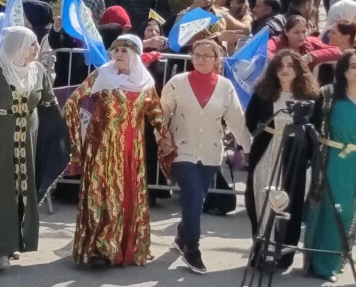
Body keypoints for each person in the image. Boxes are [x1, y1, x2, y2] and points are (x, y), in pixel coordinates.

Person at [65, 35, 170, 269]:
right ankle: (98, 249)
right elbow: (72, 103)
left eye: (125, 50)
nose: (119, 54)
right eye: (116, 50)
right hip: (102, 148)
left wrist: (165, 136)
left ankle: (125, 247)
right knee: (103, 195)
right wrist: (78, 141)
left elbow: (155, 112)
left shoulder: (145, 81)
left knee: (128, 195)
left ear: (135, 55)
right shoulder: (102, 75)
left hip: (132, 149)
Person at [158, 37, 247, 274]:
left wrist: (249, 147)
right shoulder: (177, 83)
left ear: (217, 59)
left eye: (207, 56)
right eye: (197, 55)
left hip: (210, 152)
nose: (201, 60)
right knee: (194, 197)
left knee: (196, 201)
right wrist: (162, 138)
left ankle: (180, 235)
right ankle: (192, 248)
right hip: (181, 150)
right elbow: (161, 114)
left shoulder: (225, 86)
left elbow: (237, 120)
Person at [0, 25, 55, 270]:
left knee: (21, 187)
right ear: (16, 45)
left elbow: (49, 101)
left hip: (28, 137)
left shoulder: (38, 70)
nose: (37, 49)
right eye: (32, 44)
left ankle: (15, 241)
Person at [299, 49, 356, 282]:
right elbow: (313, 126)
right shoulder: (328, 96)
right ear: (343, 71)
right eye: (353, 66)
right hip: (330, 159)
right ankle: (320, 263)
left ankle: (336, 259)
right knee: (329, 208)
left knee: (348, 211)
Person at [245, 50, 321, 273]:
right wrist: (266, 136)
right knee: (262, 198)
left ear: (299, 69)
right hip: (267, 150)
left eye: (290, 66)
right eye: (280, 66)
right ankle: (260, 249)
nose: (285, 70)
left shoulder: (310, 96)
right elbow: (251, 120)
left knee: (290, 202)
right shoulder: (263, 92)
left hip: (295, 154)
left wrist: (305, 153)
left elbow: (315, 126)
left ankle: (284, 252)